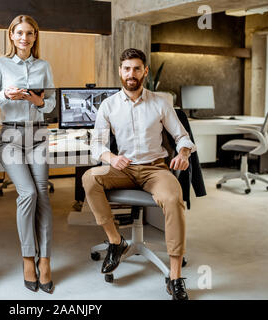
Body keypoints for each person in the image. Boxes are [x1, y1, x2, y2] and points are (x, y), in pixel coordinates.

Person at [82, 48, 196, 300]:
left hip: (155, 169)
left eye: (136, 68)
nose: (131, 74)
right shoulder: (108, 105)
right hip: (123, 168)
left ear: (145, 71)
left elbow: (182, 137)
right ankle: (115, 241)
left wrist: (184, 154)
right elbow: (97, 145)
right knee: (89, 177)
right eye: (126, 69)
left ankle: (175, 276)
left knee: (173, 199)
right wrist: (112, 158)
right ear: (120, 72)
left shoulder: (160, 103)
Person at [0, 15, 56, 294]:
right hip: (11, 136)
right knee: (27, 193)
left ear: (35, 37)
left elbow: (50, 104)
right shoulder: (0, 64)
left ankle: (45, 260)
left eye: (30, 33)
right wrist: (8, 95)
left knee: (42, 193)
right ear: (11, 36)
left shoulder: (44, 66)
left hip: (39, 134)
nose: (25, 38)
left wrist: (38, 100)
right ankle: (28, 258)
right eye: (19, 33)